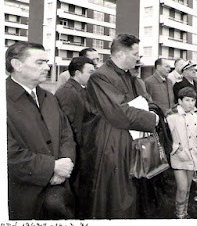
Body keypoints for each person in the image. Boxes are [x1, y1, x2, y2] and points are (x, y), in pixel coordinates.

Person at [83, 34, 159, 219]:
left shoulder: (130, 76)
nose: (138, 57)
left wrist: (151, 112)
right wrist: (152, 119)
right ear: (122, 54)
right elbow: (118, 113)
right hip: (112, 143)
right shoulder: (100, 77)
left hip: (130, 141)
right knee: (118, 197)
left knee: (132, 191)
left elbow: (146, 101)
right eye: (135, 53)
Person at [6, 42, 76, 219]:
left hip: (58, 189)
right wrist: (51, 167)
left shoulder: (49, 97)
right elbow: (8, 153)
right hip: (21, 195)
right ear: (17, 65)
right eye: (40, 62)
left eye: (47, 62)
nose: (47, 67)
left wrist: (66, 162)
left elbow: (66, 134)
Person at [54, 56, 96, 214]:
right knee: (78, 188)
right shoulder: (66, 92)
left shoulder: (81, 89)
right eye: (90, 72)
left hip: (86, 148)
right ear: (78, 73)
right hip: (78, 151)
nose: (94, 75)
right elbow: (67, 126)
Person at [166, 87, 197, 219]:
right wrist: (175, 149)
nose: (190, 103)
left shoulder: (195, 117)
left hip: (193, 157)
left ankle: (184, 212)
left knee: (188, 187)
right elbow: (166, 137)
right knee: (182, 188)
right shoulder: (172, 117)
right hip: (179, 157)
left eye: (193, 100)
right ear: (180, 101)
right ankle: (179, 214)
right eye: (187, 100)